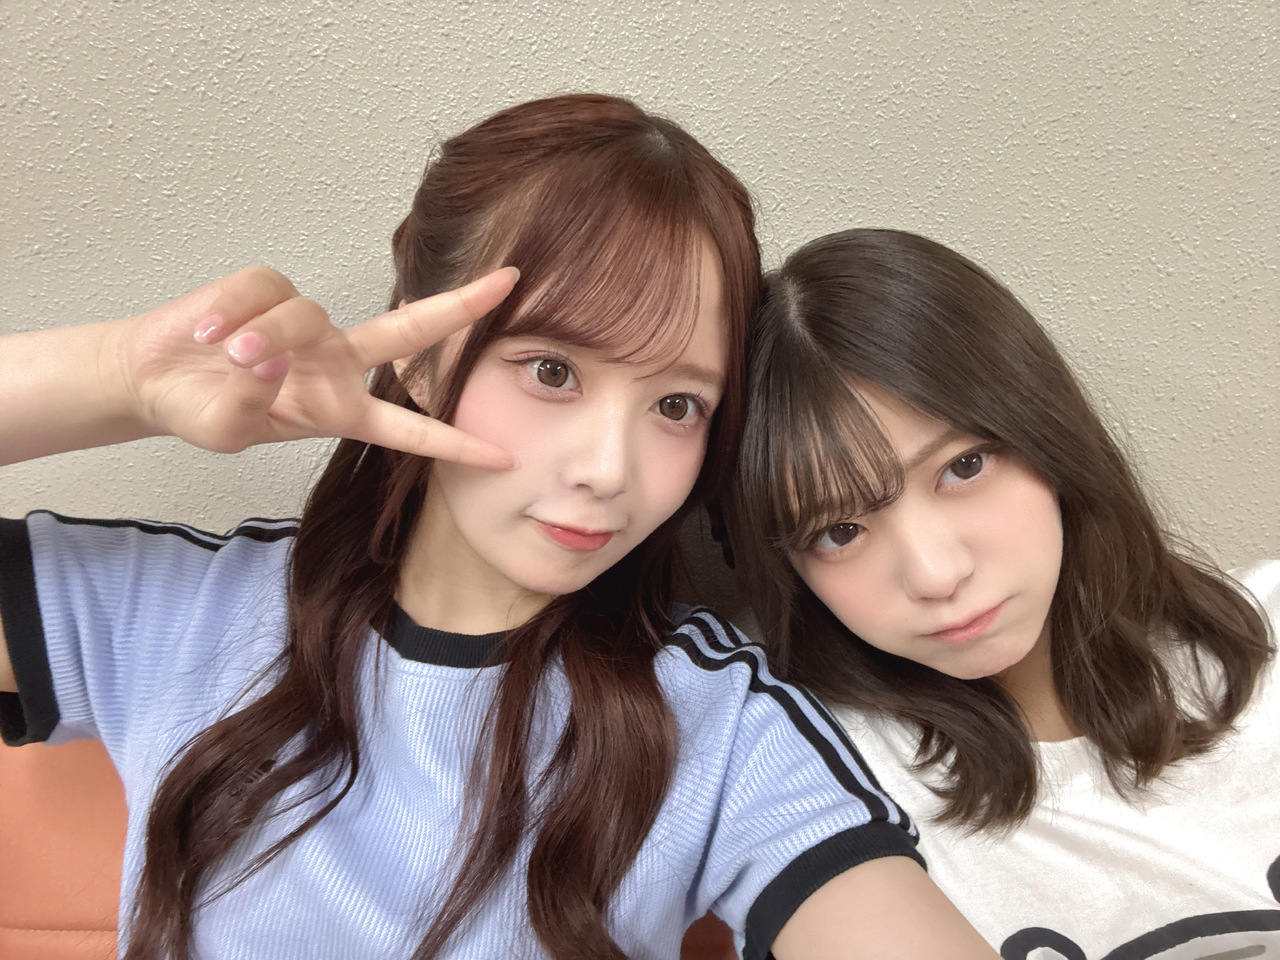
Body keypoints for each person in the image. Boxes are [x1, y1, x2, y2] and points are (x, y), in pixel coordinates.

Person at [0, 100, 997, 960]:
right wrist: (121, 379)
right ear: (421, 350)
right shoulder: (174, 611)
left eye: (676, 405)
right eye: (552, 371)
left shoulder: (718, 724)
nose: (608, 469)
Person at [725, 226, 1280, 957]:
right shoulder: (813, 779)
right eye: (840, 531)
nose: (936, 574)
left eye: (963, 467)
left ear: (1045, 432)